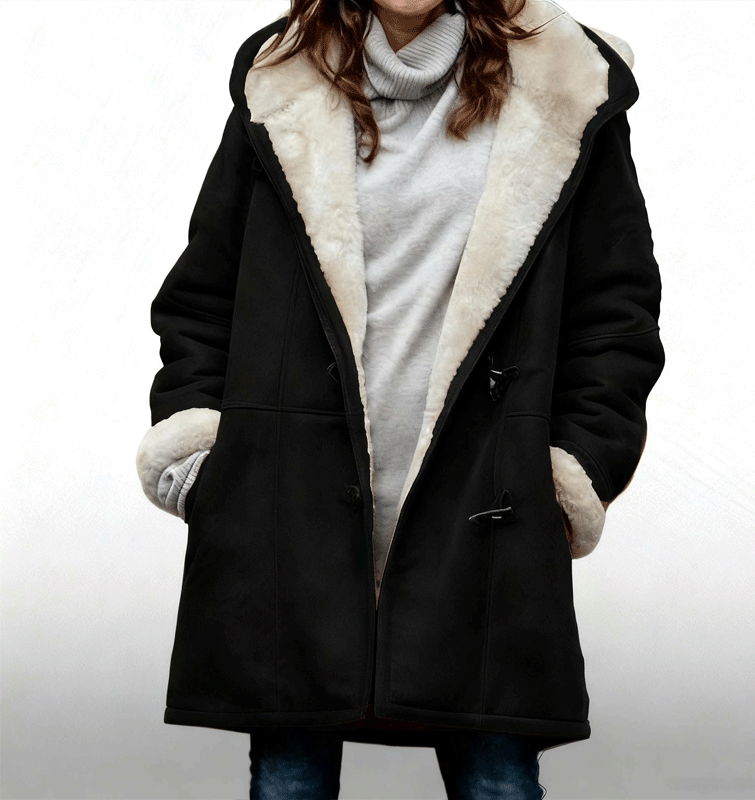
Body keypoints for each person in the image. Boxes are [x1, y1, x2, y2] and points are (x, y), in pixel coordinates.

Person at [135, 0, 665, 797]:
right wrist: (204, 461)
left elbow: (615, 320)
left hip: (486, 515)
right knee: (289, 783)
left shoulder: (566, 87)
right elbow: (204, 298)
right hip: (290, 517)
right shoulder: (282, 82)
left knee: (496, 781)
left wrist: (566, 477)